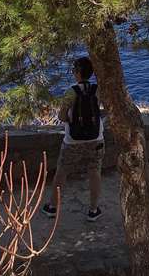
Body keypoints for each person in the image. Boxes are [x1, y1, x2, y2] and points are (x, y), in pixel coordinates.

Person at [42, 56, 104, 222]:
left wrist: (72, 121)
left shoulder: (71, 92)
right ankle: (93, 209)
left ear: (77, 73)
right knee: (95, 172)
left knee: (61, 172)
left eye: (74, 70)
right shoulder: (98, 90)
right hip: (96, 138)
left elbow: (62, 116)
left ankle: (52, 207)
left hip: (73, 141)